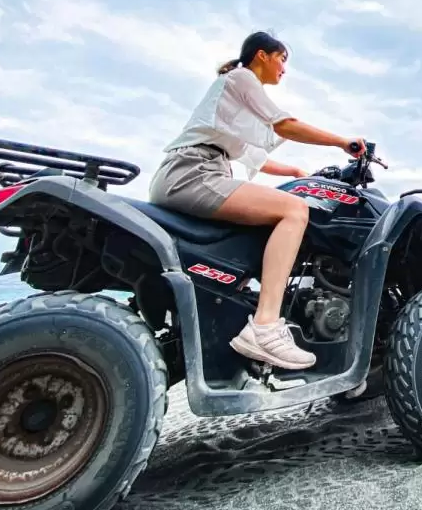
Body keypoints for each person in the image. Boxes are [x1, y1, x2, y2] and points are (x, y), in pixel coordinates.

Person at [149, 30, 365, 370]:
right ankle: (265, 327)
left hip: (192, 169)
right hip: (195, 172)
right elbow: (285, 125)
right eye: (282, 59)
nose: (284, 68)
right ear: (261, 55)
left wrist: (296, 172)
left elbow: (255, 159)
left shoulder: (233, 97)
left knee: (276, 212)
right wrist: (343, 142)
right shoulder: (241, 77)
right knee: (294, 210)